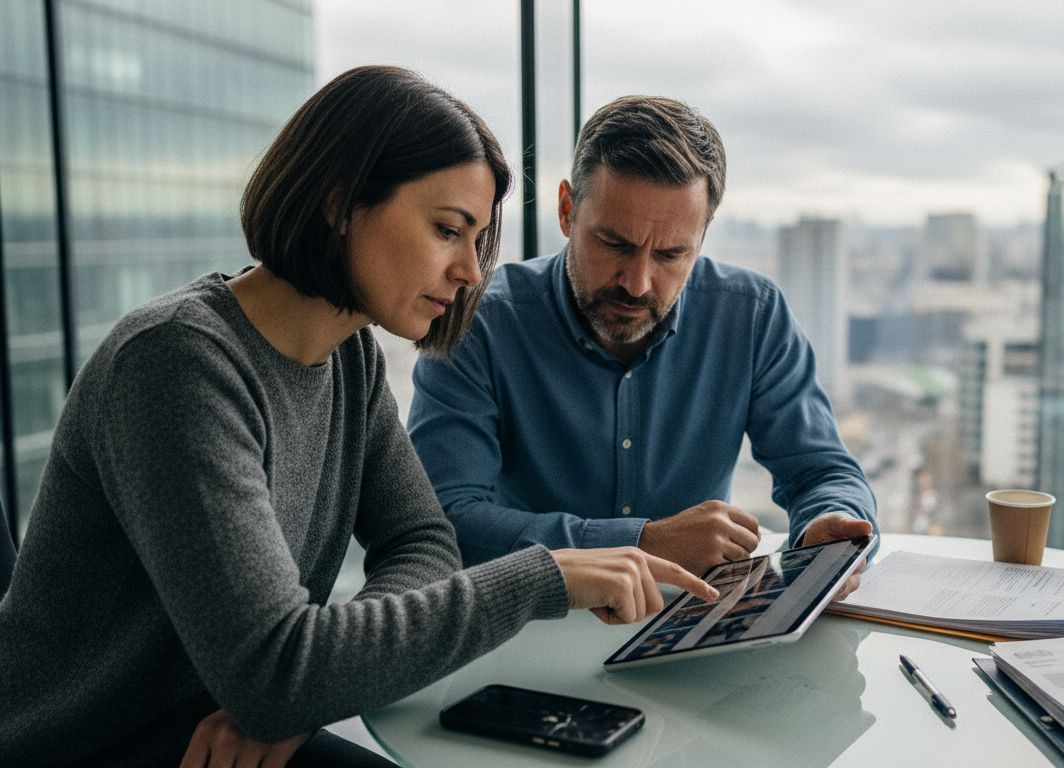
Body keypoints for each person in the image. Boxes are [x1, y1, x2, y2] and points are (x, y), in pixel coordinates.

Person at [0, 67, 715, 768]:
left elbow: (422, 539)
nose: (471, 270)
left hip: (226, 729)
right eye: (447, 230)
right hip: (94, 748)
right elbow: (279, 673)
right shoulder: (177, 364)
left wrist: (311, 684)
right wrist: (542, 577)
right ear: (341, 205)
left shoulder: (349, 359)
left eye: (477, 240)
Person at [408, 95, 878, 581]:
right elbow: (445, 522)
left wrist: (828, 527)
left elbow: (822, 471)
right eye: (615, 244)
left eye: (671, 254)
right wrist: (640, 544)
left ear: (702, 238)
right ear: (567, 211)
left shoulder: (751, 315)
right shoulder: (479, 322)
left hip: (692, 616)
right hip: (532, 617)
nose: (637, 283)